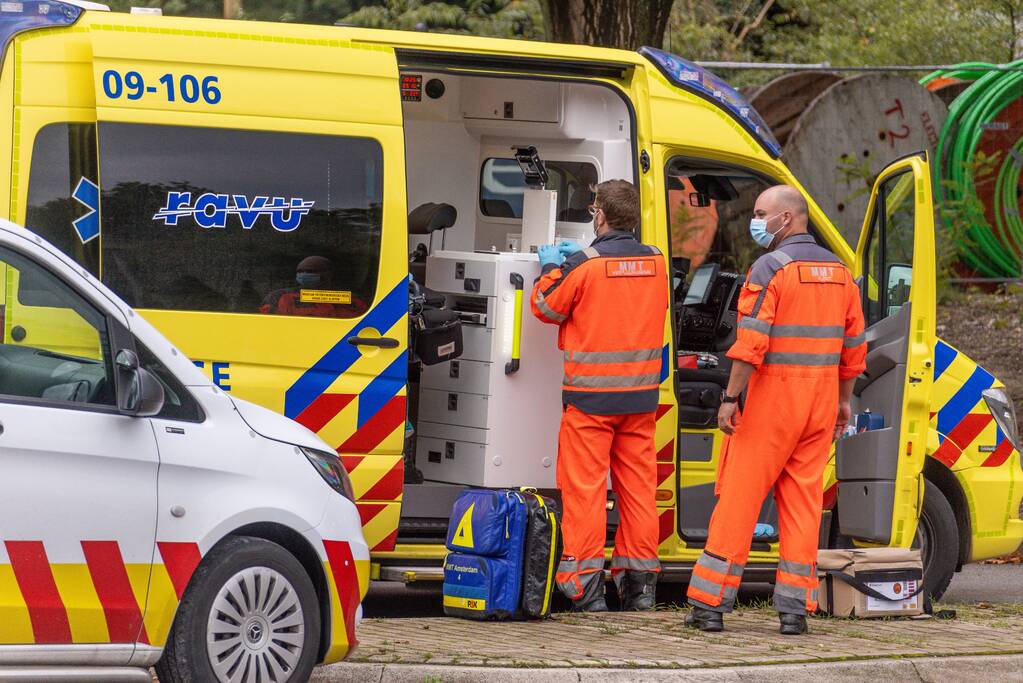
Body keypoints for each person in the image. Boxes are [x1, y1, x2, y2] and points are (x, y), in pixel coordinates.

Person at [684, 185, 867, 635]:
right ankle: (794, 610)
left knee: (740, 500)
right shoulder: (841, 273)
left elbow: (750, 343)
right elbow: (853, 348)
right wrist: (843, 401)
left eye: (762, 213)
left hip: (772, 401)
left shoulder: (771, 268)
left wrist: (730, 398)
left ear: (787, 218)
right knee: (803, 506)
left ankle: (709, 605)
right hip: (820, 403)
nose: (757, 220)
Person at [530, 179, 669, 612]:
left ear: (600, 215)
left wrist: (550, 268)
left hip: (590, 401)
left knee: (585, 493)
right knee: (639, 492)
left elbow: (545, 306)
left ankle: (586, 589)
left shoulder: (584, 265)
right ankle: (640, 587)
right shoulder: (657, 261)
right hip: (640, 400)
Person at [260, 255, 367, 317]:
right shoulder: (279, 297)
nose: (304, 274)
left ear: (329, 274)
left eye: (311, 271)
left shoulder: (352, 300)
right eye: (300, 271)